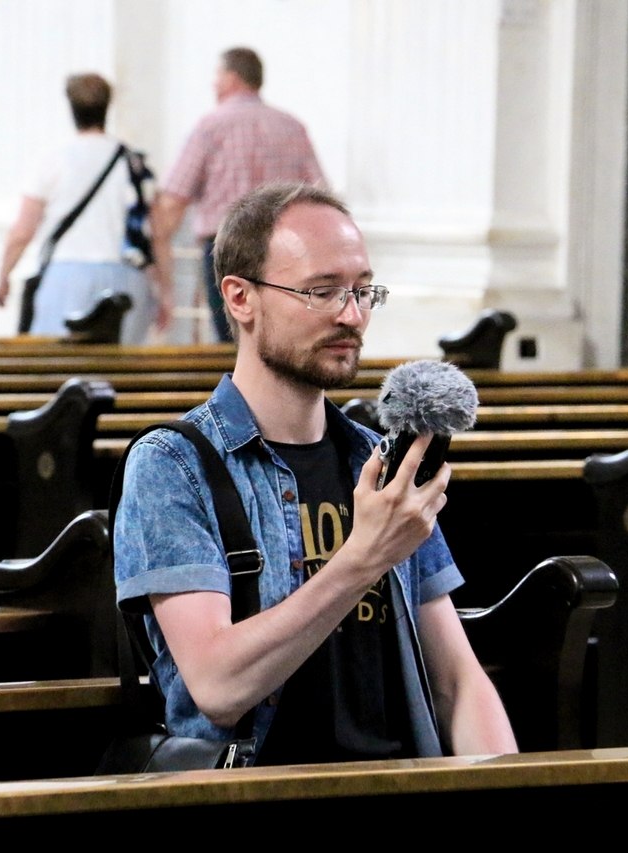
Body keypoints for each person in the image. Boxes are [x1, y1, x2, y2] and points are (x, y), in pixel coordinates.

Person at [113, 181, 518, 765]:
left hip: (400, 793)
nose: (351, 315)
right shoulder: (174, 465)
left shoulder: (378, 462)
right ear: (240, 298)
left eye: (362, 291)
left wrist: (510, 799)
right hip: (261, 804)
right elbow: (218, 688)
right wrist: (362, 558)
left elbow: (458, 681)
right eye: (322, 292)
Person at [153, 46, 326, 344]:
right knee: (278, 338)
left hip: (226, 248)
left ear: (231, 78)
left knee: (233, 341)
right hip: (284, 250)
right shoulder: (292, 127)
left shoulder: (211, 126)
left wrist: (160, 250)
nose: (213, 84)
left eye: (217, 76)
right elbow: (319, 197)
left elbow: (174, 196)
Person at [0, 72, 169, 343]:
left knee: (59, 371)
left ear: (71, 108)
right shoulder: (134, 163)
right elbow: (158, 234)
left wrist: (4, 275)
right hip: (127, 281)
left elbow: (23, 231)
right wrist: (166, 291)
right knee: (121, 376)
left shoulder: (52, 160)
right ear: (106, 108)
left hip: (67, 278)